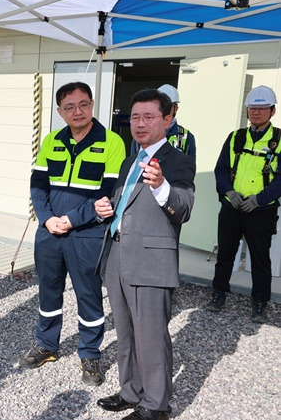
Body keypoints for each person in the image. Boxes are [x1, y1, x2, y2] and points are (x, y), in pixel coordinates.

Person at [95, 88, 195, 420]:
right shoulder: (129, 160)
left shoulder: (178, 161)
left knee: (151, 335)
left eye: (148, 116)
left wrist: (162, 186)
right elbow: (122, 204)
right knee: (125, 331)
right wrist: (104, 210)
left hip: (151, 261)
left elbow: (184, 208)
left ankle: (155, 405)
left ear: (167, 119)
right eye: (135, 117)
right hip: (118, 256)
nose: (140, 123)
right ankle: (130, 391)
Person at [19, 81, 125, 387]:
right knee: (48, 292)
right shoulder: (51, 140)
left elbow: (108, 195)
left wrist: (71, 220)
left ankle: (90, 353)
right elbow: (37, 185)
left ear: (92, 105)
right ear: (59, 111)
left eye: (83, 104)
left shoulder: (112, 142)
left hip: (88, 234)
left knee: (88, 296)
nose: (77, 111)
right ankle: (46, 345)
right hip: (50, 232)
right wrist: (47, 219)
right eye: (69, 106)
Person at [208, 85, 281, 323]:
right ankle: (218, 294)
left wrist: (259, 199)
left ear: (272, 111)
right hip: (232, 207)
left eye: (262, 108)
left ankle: (260, 303)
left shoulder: (278, 140)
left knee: (260, 259)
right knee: (225, 254)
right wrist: (229, 191)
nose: (256, 112)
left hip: (261, 210)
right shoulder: (235, 137)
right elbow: (220, 168)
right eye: (252, 108)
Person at [130, 84, 196, 159]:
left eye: (168, 106)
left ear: (176, 108)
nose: (164, 110)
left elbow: (189, 167)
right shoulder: (142, 132)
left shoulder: (186, 136)